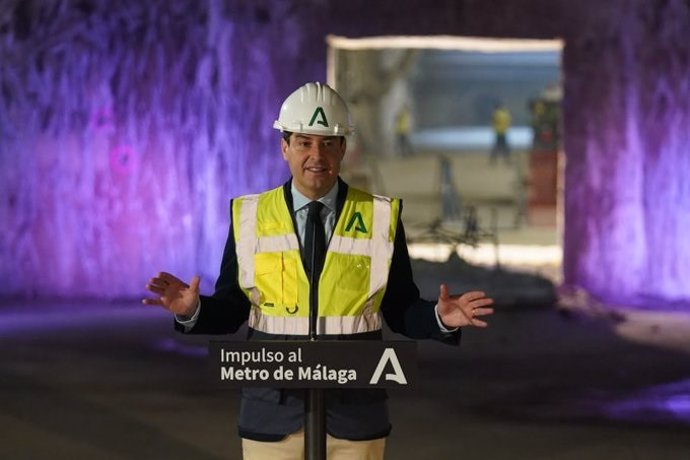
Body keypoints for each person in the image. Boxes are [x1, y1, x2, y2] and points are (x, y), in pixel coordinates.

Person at [143, 82, 494, 460]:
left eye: (328, 142)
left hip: (354, 414)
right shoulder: (249, 218)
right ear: (285, 146)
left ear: (343, 148)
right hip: (272, 413)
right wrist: (192, 311)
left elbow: (399, 308)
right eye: (304, 142)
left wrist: (439, 318)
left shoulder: (379, 217)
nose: (317, 155)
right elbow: (232, 309)